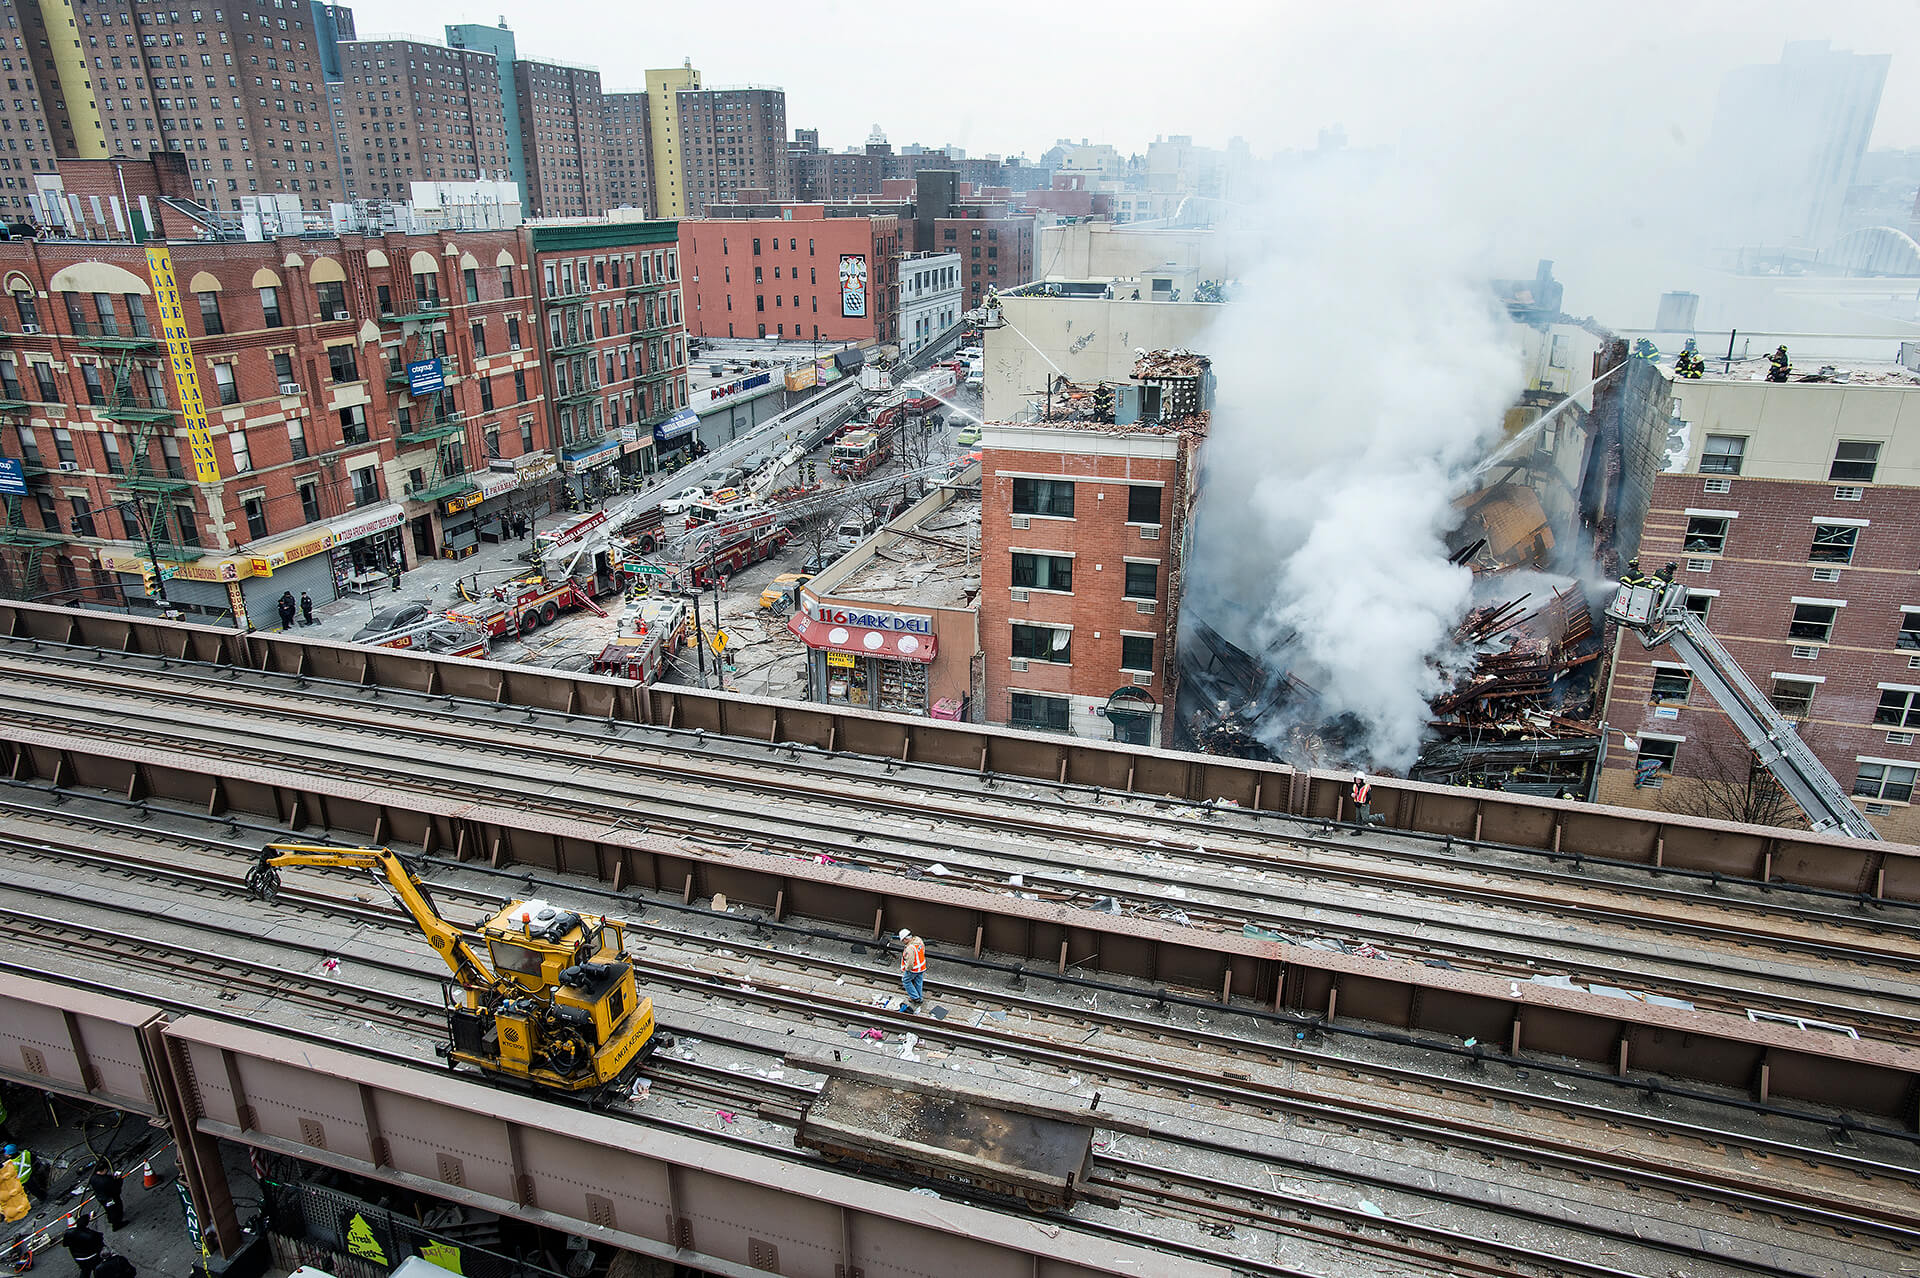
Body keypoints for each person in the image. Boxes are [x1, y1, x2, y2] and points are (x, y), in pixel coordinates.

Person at [88, 1163, 124, 1230]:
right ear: (104, 1170)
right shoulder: (106, 1180)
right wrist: (119, 1179)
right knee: (115, 1210)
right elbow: (116, 1188)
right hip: (110, 1198)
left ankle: (110, 1219)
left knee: (108, 1210)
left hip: (101, 1198)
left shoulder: (93, 1178)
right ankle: (116, 1225)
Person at [897, 928, 926, 1008]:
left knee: (906, 980)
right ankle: (919, 997)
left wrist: (907, 969)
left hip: (914, 969)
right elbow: (922, 951)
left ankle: (915, 997)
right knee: (918, 982)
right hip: (921, 966)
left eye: (903, 940)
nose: (903, 942)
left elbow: (910, 961)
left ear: (906, 939)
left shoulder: (910, 948)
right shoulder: (918, 940)